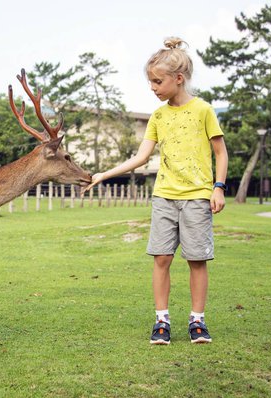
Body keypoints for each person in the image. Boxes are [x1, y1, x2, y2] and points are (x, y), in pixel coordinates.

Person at [85, 37, 228, 345]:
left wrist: (218, 187)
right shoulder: (158, 117)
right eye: (150, 81)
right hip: (164, 197)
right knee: (161, 258)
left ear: (179, 79)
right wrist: (104, 174)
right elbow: (140, 158)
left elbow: (221, 153)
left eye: (157, 81)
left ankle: (197, 322)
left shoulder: (203, 110)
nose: (152, 87)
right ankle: (161, 320)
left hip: (197, 197)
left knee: (196, 260)